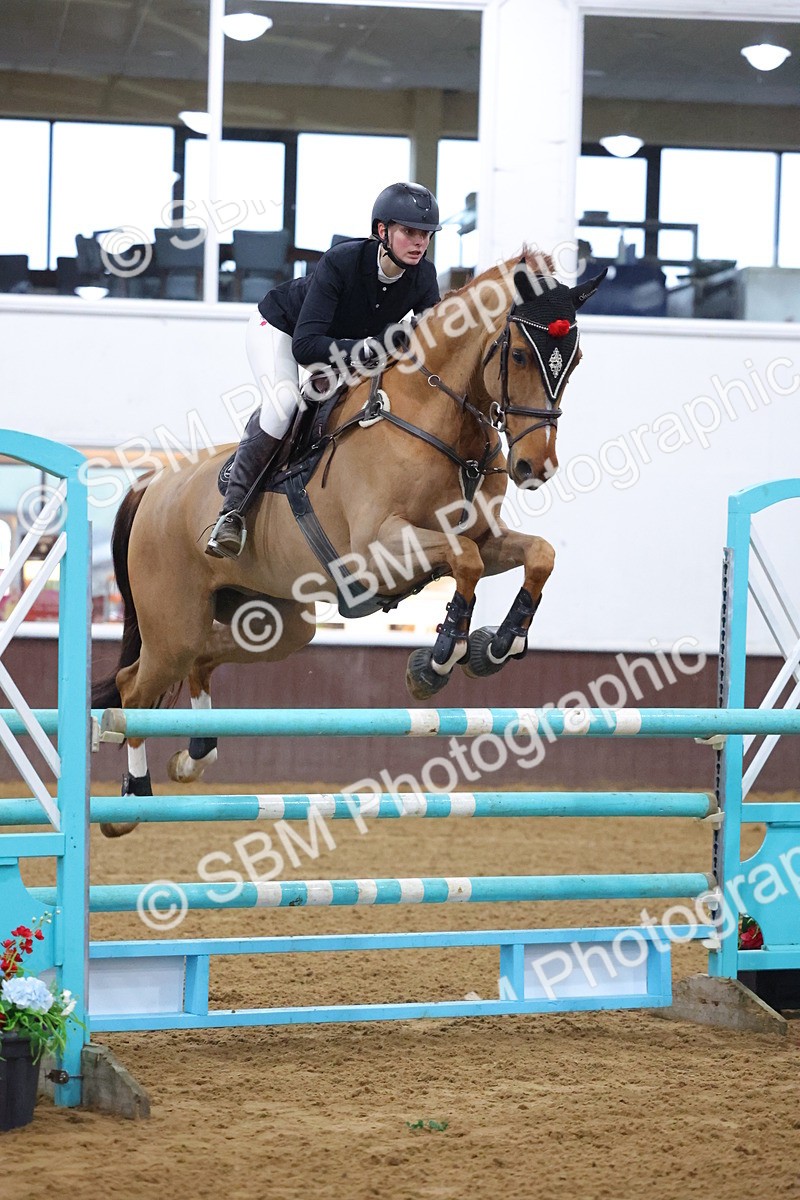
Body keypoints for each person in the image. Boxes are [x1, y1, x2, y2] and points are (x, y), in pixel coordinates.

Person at [206, 181, 442, 559]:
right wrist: (368, 347)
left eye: (426, 235)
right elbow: (305, 347)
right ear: (382, 231)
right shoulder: (342, 261)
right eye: (409, 233)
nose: (419, 243)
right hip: (281, 329)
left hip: (345, 348)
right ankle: (231, 512)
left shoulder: (424, 277)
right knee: (284, 403)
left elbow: (432, 340)